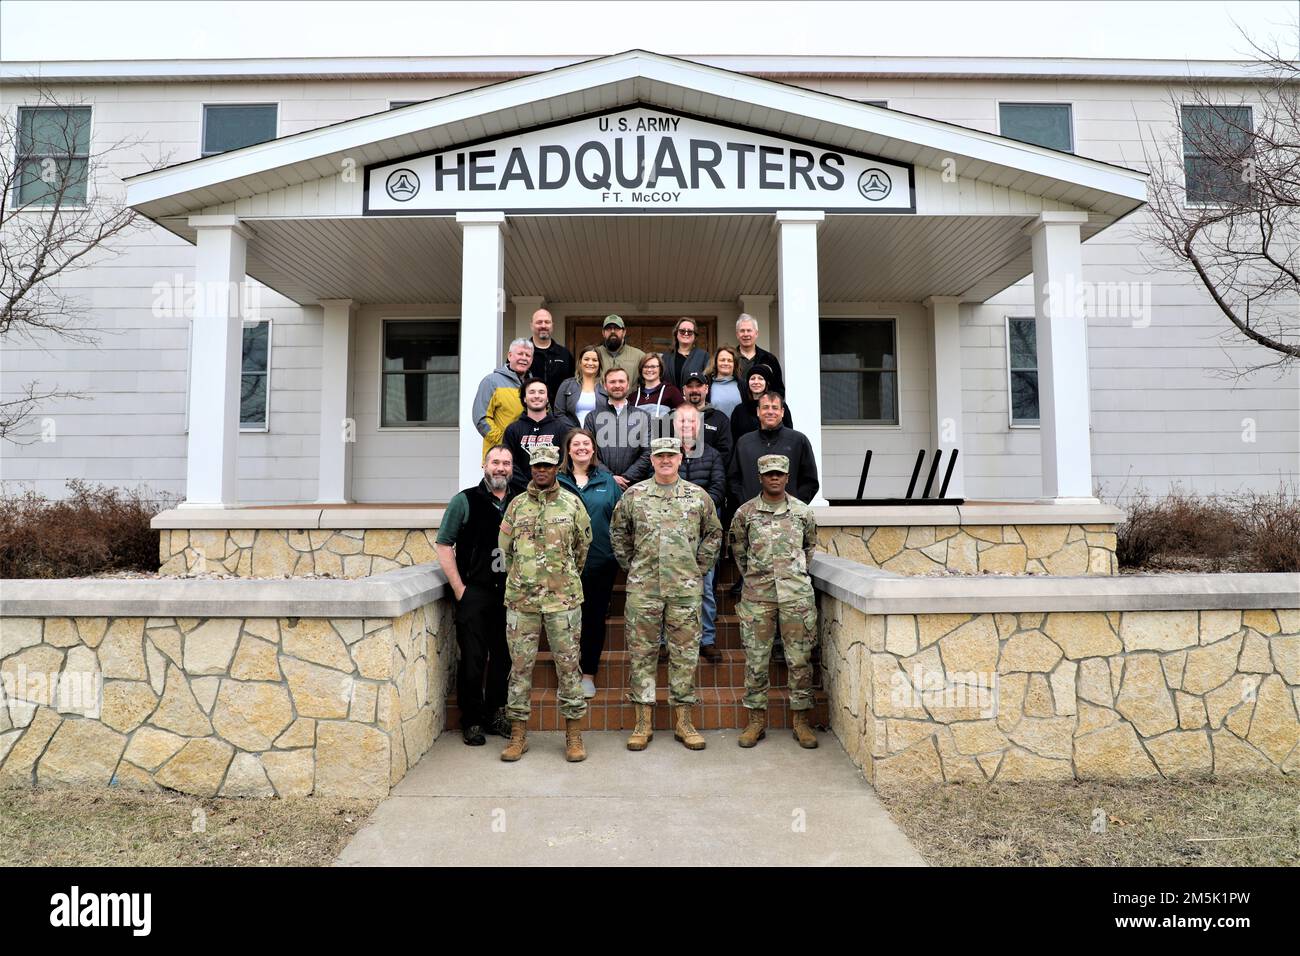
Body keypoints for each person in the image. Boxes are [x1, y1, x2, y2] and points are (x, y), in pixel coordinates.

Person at [610, 437, 722, 752]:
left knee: (685, 655)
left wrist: (698, 568)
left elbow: (714, 533)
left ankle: (684, 722)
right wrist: (632, 565)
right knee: (642, 654)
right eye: (660, 456)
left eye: (670, 455)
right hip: (644, 589)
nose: (665, 460)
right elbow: (618, 532)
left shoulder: (697, 496)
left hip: (684, 590)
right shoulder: (635, 495)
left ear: (680, 457)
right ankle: (642, 722)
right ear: (653, 460)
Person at [497, 444, 593, 763]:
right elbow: (506, 550)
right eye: (536, 465)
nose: (541, 470)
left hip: (563, 600)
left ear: (556, 469)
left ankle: (574, 734)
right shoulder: (516, 506)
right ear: (531, 468)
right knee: (520, 668)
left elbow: (582, 548)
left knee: (568, 667)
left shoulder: (572, 504)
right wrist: (524, 577)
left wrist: (561, 578)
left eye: (547, 466)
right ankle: (518, 735)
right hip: (521, 601)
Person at [730, 454, 820, 749]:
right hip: (758, 596)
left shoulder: (802, 512)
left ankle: (801, 720)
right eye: (769, 474)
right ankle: (756, 720)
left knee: (800, 659)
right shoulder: (745, 513)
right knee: (756, 660)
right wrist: (757, 578)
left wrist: (791, 576)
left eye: (779, 474)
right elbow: (739, 552)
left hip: (796, 596)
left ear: (787, 476)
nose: (774, 478)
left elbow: (809, 548)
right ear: (760, 477)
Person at [435, 445, 517, 746]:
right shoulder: (465, 500)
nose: (500, 468)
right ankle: (471, 720)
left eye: (506, 463)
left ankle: (496, 714)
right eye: (495, 462)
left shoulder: (520, 500)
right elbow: (444, 544)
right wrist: (460, 589)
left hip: (511, 594)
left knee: (503, 659)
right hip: (476, 593)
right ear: (485, 465)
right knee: (472, 659)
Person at [557, 427, 623, 699]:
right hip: (561, 566)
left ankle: (588, 675)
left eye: (586, 443)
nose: (581, 448)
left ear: (593, 449)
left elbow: (621, 522)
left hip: (599, 563)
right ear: (568, 450)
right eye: (576, 444)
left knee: (594, 619)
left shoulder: (609, 482)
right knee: (564, 621)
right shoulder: (556, 481)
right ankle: (568, 673)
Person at [673, 404, 725, 664]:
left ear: (699, 426)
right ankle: (663, 641)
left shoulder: (712, 455)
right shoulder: (665, 453)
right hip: (671, 534)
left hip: (704, 532)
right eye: (681, 421)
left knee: (705, 588)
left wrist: (695, 509)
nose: (686, 426)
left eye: (691, 422)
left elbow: (718, 488)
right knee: (667, 590)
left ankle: (707, 639)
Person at [730, 390, 820, 505]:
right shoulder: (744, 443)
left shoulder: (798, 441)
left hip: (789, 517)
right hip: (752, 516)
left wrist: (795, 507)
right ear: (758, 411)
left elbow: (810, 481)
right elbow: (733, 480)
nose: (770, 412)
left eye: (775, 408)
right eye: (766, 407)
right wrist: (746, 505)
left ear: (782, 412)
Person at [582, 366, 653, 490]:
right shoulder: (592, 418)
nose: (617, 385)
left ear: (628, 384)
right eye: (612, 382)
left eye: (621, 381)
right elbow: (588, 452)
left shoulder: (643, 417)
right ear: (605, 386)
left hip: (635, 486)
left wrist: (627, 477)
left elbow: (648, 452)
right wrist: (609, 477)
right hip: (601, 484)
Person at [503, 377, 568, 493]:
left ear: (547, 399)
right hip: (519, 492)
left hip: (553, 492)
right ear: (524, 398)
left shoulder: (560, 428)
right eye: (532, 392)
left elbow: (564, 461)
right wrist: (528, 487)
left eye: (541, 392)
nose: (537, 396)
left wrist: (551, 485)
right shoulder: (512, 430)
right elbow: (509, 462)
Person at [473, 338, 533, 458]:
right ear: (510, 356)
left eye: (528, 355)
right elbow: (481, 419)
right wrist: (504, 442)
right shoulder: (491, 382)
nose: (524, 358)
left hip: (528, 455)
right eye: (520, 353)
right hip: (499, 455)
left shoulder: (534, 385)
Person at [729, 362, 791, 445]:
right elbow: (734, 439)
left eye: (760, 378)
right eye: (752, 378)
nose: (756, 382)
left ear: (767, 383)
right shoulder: (739, 410)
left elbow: (789, 434)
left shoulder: (779, 406)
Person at [680, 370, 733, 466]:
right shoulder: (672, 419)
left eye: (698, 386)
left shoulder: (720, 419)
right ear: (683, 390)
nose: (694, 390)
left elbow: (725, 453)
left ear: (706, 389)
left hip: (711, 477)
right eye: (690, 386)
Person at [525, 307, 574, 405]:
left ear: (552, 325)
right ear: (531, 326)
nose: (543, 325)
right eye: (539, 322)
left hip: (558, 413)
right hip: (528, 412)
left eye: (547, 322)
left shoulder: (564, 354)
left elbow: (573, 384)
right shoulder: (522, 352)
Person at [554, 344, 605, 429]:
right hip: (572, 436)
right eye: (586, 359)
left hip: (599, 436)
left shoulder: (606, 386)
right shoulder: (567, 385)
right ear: (580, 362)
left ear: (599, 364)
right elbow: (559, 413)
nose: (590, 363)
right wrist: (575, 432)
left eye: (595, 360)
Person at [735, 313, 785, 392]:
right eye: (742, 331)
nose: (745, 334)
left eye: (749, 330)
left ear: (756, 334)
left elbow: (778, 389)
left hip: (762, 404)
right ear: (737, 335)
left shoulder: (769, 359)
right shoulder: (730, 358)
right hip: (736, 404)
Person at [631, 352, 683, 425]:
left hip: (662, 435)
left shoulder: (671, 391)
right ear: (641, 369)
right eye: (645, 367)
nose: (649, 370)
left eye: (653, 367)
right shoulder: (633, 396)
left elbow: (684, 414)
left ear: (660, 369)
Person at [661, 316, 709, 390]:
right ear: (676, 333)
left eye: (690, 332)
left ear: (695, 336)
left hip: (693, 399)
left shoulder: (703, 356)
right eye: (682, 331)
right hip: (669, 400)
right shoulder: (665, 357)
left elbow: (707, 382)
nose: (686, 334)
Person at [595, 314, 646, 380]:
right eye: (608, 328)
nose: (612, 331)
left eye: (616, 328)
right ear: (603, 333)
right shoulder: (594, 354)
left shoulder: (639, 356)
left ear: (624, 332)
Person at [706, 345, 743, 420]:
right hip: (715, 430)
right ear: (716, 363)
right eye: (722, 360)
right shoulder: (707, 384)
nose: (726, 363)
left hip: (738, 431)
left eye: (730, 360)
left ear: (734, 364)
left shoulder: (743, 385)